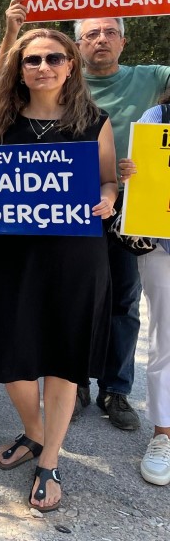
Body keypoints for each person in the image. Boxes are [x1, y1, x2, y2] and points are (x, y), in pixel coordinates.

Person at [0, 28, 116, 512]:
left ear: (71, 65)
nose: (44, 66)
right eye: (33, 60)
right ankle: (34, 431)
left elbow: (109, 180)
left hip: (74, 257)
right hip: (12, 256)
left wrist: (109, 199)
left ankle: (49, 458)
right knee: (12, 358)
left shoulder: (95, 121)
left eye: (55, 58)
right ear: (19, 68)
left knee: (62, 358)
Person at [73, 16, 170, 430]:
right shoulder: (63, 77)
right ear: (77, 45)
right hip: (72, 206)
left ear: (124, 42)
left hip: (132, 212)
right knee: (74, 297)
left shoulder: (150, 77)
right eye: (91, 34)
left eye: (110, 32)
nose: (101, 39)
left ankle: (116, 389)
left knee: (124, 302)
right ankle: (72, 382)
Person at [119, 93, 170, 486]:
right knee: (166, 341)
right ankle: (163, 435)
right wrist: (131, 173)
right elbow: (147, 173)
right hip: (164, 247)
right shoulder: (160, 114)